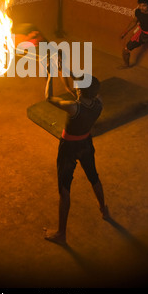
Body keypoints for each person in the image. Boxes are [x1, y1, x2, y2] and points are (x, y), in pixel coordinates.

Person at [44, 66, 109, 245]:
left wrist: (50, 75)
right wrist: (63, 68)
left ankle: (61, 234)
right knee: (94, 177)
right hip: (86, 144)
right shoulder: (99, 102)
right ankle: (104, 210)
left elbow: (49, 98)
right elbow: (86, 88)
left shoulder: (73, 108)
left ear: (80, 90)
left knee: (65, 189)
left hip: (69, 149)